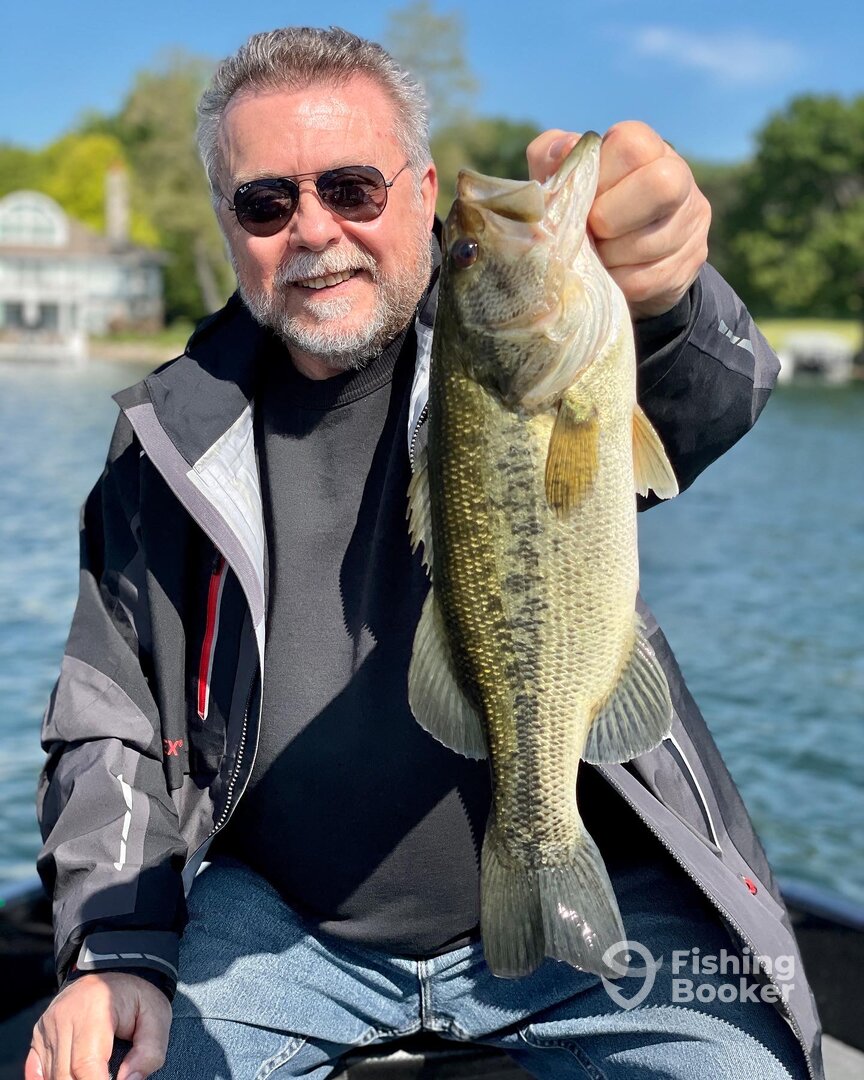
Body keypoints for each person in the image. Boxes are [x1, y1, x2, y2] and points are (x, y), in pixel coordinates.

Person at [28, 25, 822, 1080]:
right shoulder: (166, 441)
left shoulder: (509, 347)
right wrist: (114, 950)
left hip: (606, 898)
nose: (316, 229)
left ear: (425, 192)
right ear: (228, 222)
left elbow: (709, 394)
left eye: (353, 187)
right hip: (283, 928)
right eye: (266, 203)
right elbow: (110, 716)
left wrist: (670, 287)